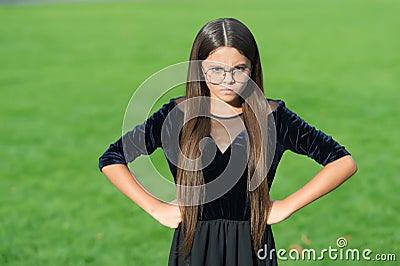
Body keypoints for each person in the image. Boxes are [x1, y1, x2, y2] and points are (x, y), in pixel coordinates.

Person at [98, 18, 357, 266]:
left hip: (253, 247)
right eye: (216, 70)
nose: (228, 80)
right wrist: (155, 208)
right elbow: (112, 158)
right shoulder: (176, 115)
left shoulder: (273, 118)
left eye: (239, 69)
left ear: (253, 67)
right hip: (193, 248)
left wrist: (286, 207)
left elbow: (342, 161)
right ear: (200, 67)